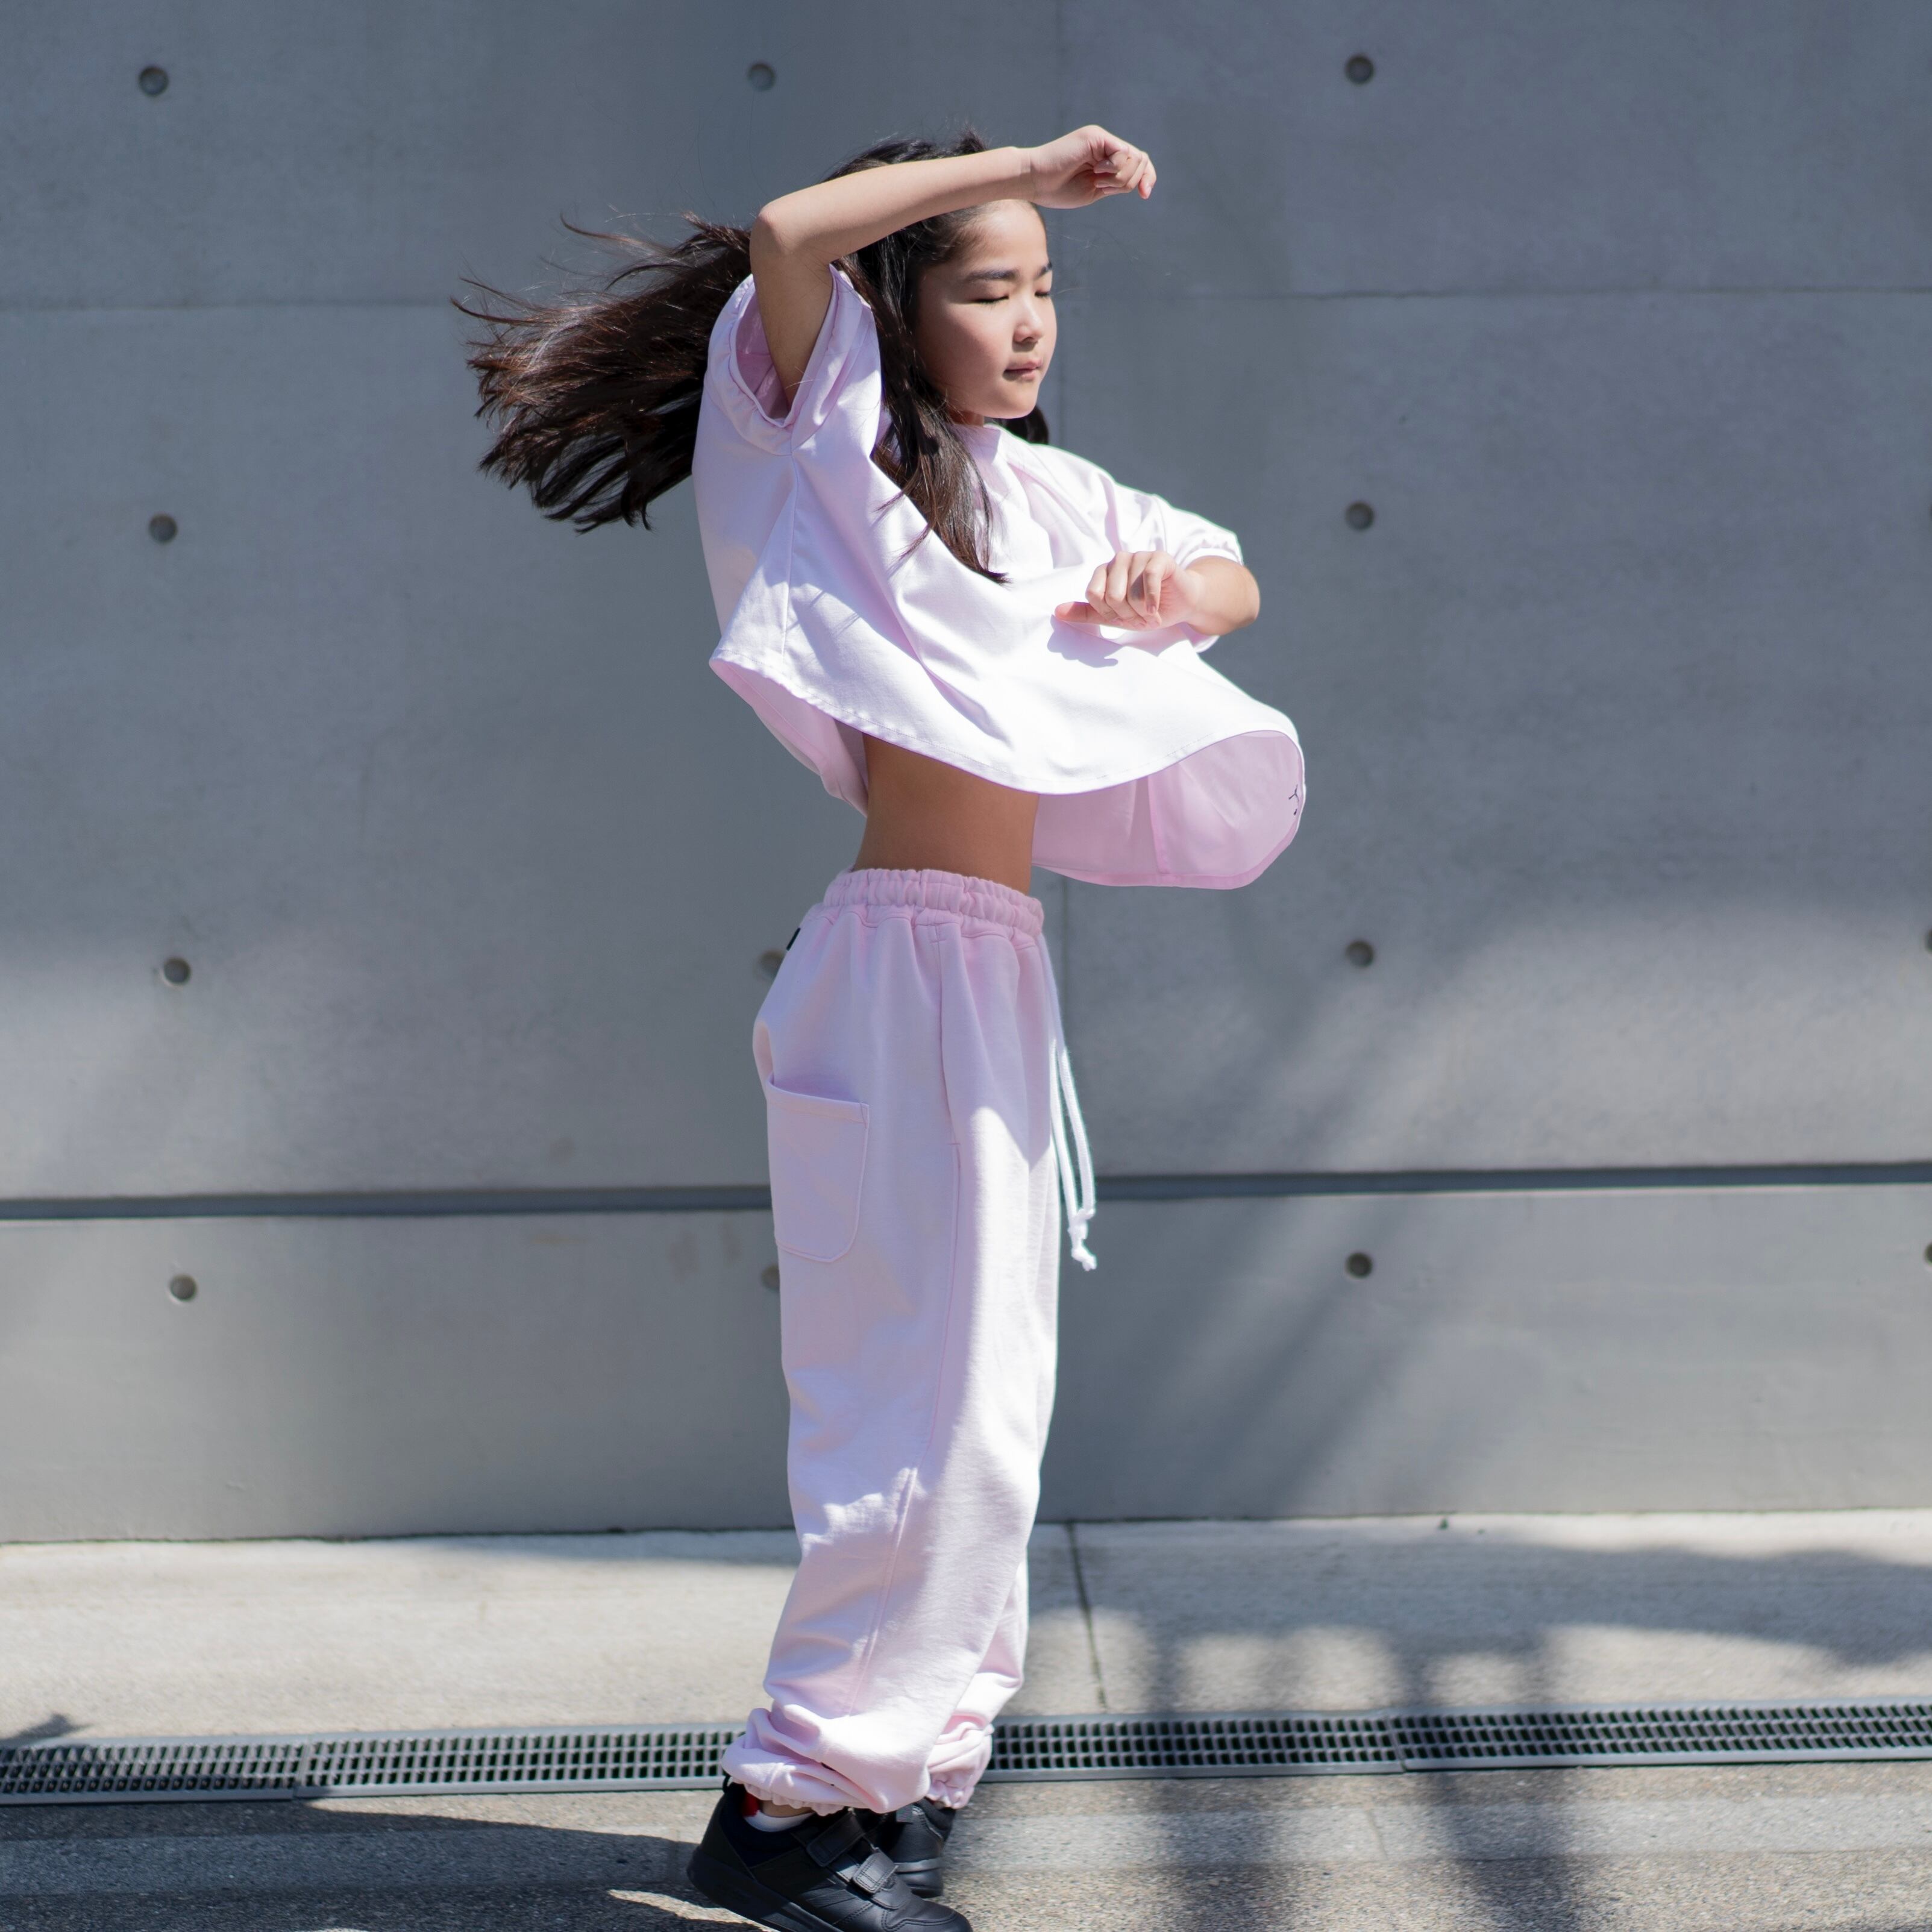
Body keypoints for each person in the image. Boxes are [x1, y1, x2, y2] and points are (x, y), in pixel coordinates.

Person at [466, 123, 1303, 1932]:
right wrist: (1026, 162)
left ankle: (908, 1772)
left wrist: (1170, 596)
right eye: (990, 286)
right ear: (902, 308)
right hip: (898, 962)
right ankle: (791, 1806)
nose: (1031, 320)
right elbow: (787, 231)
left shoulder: (1047, 495)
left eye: (1047, 287)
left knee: (991, 1417)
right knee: (911, 1414)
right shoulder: (825, 451)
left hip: (992, 963)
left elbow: (1231, 570)